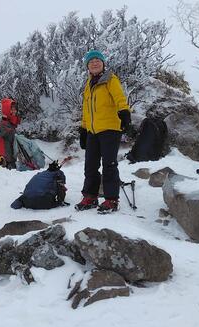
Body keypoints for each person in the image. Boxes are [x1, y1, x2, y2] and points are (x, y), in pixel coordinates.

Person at [76, 50, 131, 214]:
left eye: (97, 60)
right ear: (87, 65)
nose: (94, 63)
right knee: (90, 165)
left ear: (103, 63)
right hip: (93, 130)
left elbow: (120, 98)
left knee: (109, 165)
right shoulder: (88, 84)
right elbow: (86, 110)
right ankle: (90, 197)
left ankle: (111, 200)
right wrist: (84, 129)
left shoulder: (110, 79)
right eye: (91, 61)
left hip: (110, 129)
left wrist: (124, 112)